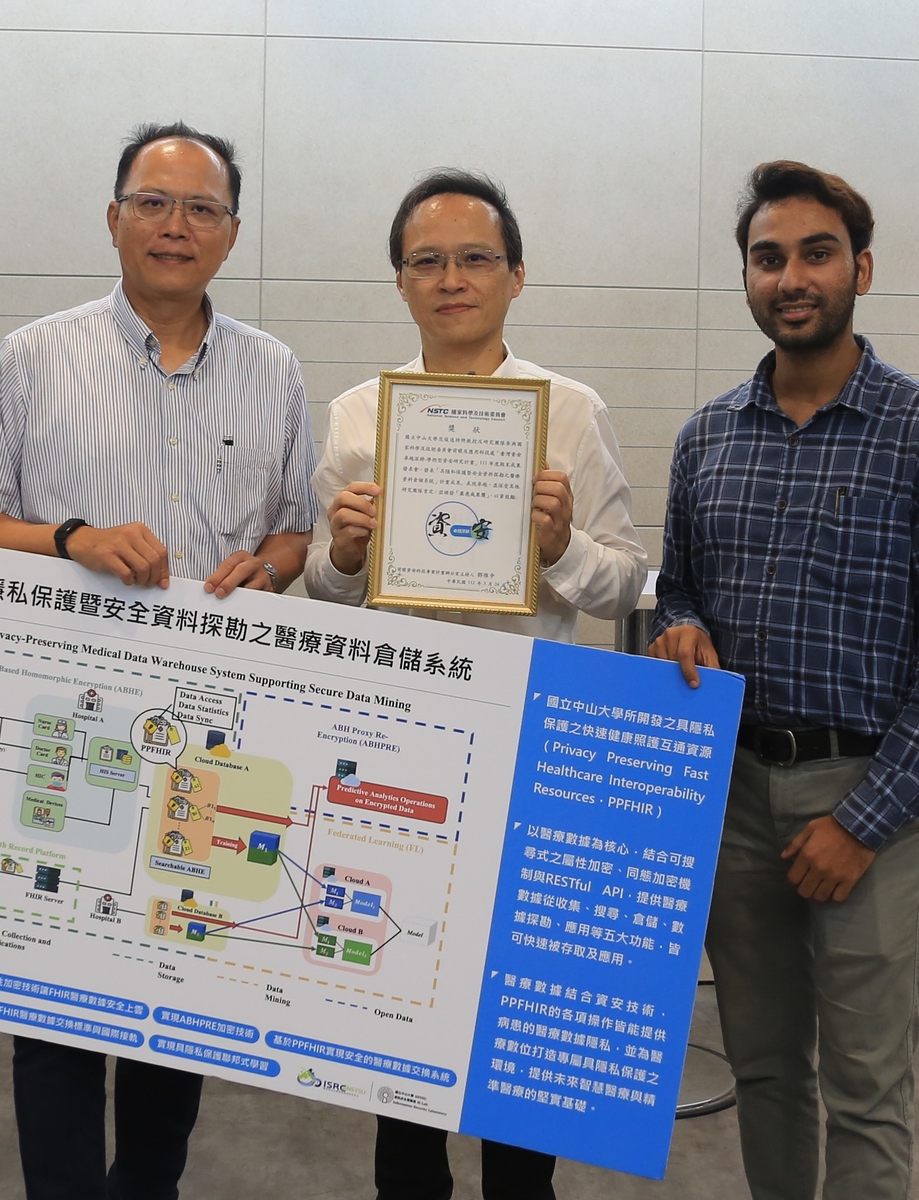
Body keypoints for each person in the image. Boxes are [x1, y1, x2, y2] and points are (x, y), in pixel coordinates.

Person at [0, 121, 318, 1200]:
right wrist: (73, 539)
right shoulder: (31, 357)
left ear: (231, 235)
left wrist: (274, 567)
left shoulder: (274, 371)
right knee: (52, 1002)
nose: (175, 226)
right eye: (153, 202)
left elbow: (294, 531)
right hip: (68, 723)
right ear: (113, 218)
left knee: (178, 995)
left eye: (201, 209)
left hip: (214, 732)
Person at [648, 161, 919, 1200]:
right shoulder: (707, 439)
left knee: (866, 1086)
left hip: (866, 801)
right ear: (747, 278)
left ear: (861, 269)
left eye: (816, 253)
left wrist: (866, 822)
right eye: (768, 258)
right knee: (762, 1067)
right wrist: (679, 627)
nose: (791, 276)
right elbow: (677, 592)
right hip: (735, 798)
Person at [306, 169, 649, 1200]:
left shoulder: (571, 413)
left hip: (525, 750)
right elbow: (321, 596)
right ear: (401, 283)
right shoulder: (359, 415)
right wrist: (344, 554)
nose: (451, 278)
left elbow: (630, 579)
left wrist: (555, 548)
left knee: (515, 1041)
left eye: (474, 258)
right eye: (428, 261)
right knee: (395, 1019)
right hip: (393, 747)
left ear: (515, 276)